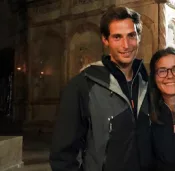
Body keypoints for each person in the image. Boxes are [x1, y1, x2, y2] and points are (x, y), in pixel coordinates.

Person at [50, 6, 153, 171]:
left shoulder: (147, 83)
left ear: (139, 37)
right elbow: (63, 156)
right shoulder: (82, 85)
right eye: (117, 37)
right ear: (105, 40)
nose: (126, 45)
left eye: (131, 36)